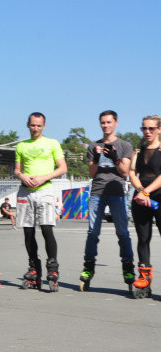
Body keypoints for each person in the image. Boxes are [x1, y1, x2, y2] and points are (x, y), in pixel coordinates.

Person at [79, 110, 134, 291]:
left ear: (116, 123)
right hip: (97, 192)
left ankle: (128, 267)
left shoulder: (124, 145)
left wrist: (115, 158)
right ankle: (88, 267)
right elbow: (92, 173)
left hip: (117, 192)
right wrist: (96, 156)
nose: (106, 125)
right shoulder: (94, 145)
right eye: (103, 123)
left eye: (109, 122)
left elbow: (125, 172)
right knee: (93, 232)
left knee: (123, 232)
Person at [14, 112, 67, 291]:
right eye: (32, 125)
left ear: (44, 126)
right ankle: (33, 268)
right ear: (27, 125)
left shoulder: (52, 143)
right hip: (26, 191)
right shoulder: (21, 146)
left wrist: (44, 177)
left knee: (46, 228)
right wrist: (22, 176)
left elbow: (62, 168)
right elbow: (16, 170)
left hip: (45, 189)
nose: (35, 128)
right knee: (28, 232)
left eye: (38, 125)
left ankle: (52, 268)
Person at [128, 115, 161, 298]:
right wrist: (140, 190)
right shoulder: (138, 150)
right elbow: (132, 173)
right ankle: (144, 278)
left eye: (151, 128)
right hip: (141, 198)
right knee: (143, 238)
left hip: (157, 194)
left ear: (159, 129)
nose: (147, 132)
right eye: (144, 128)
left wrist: (146, 191)